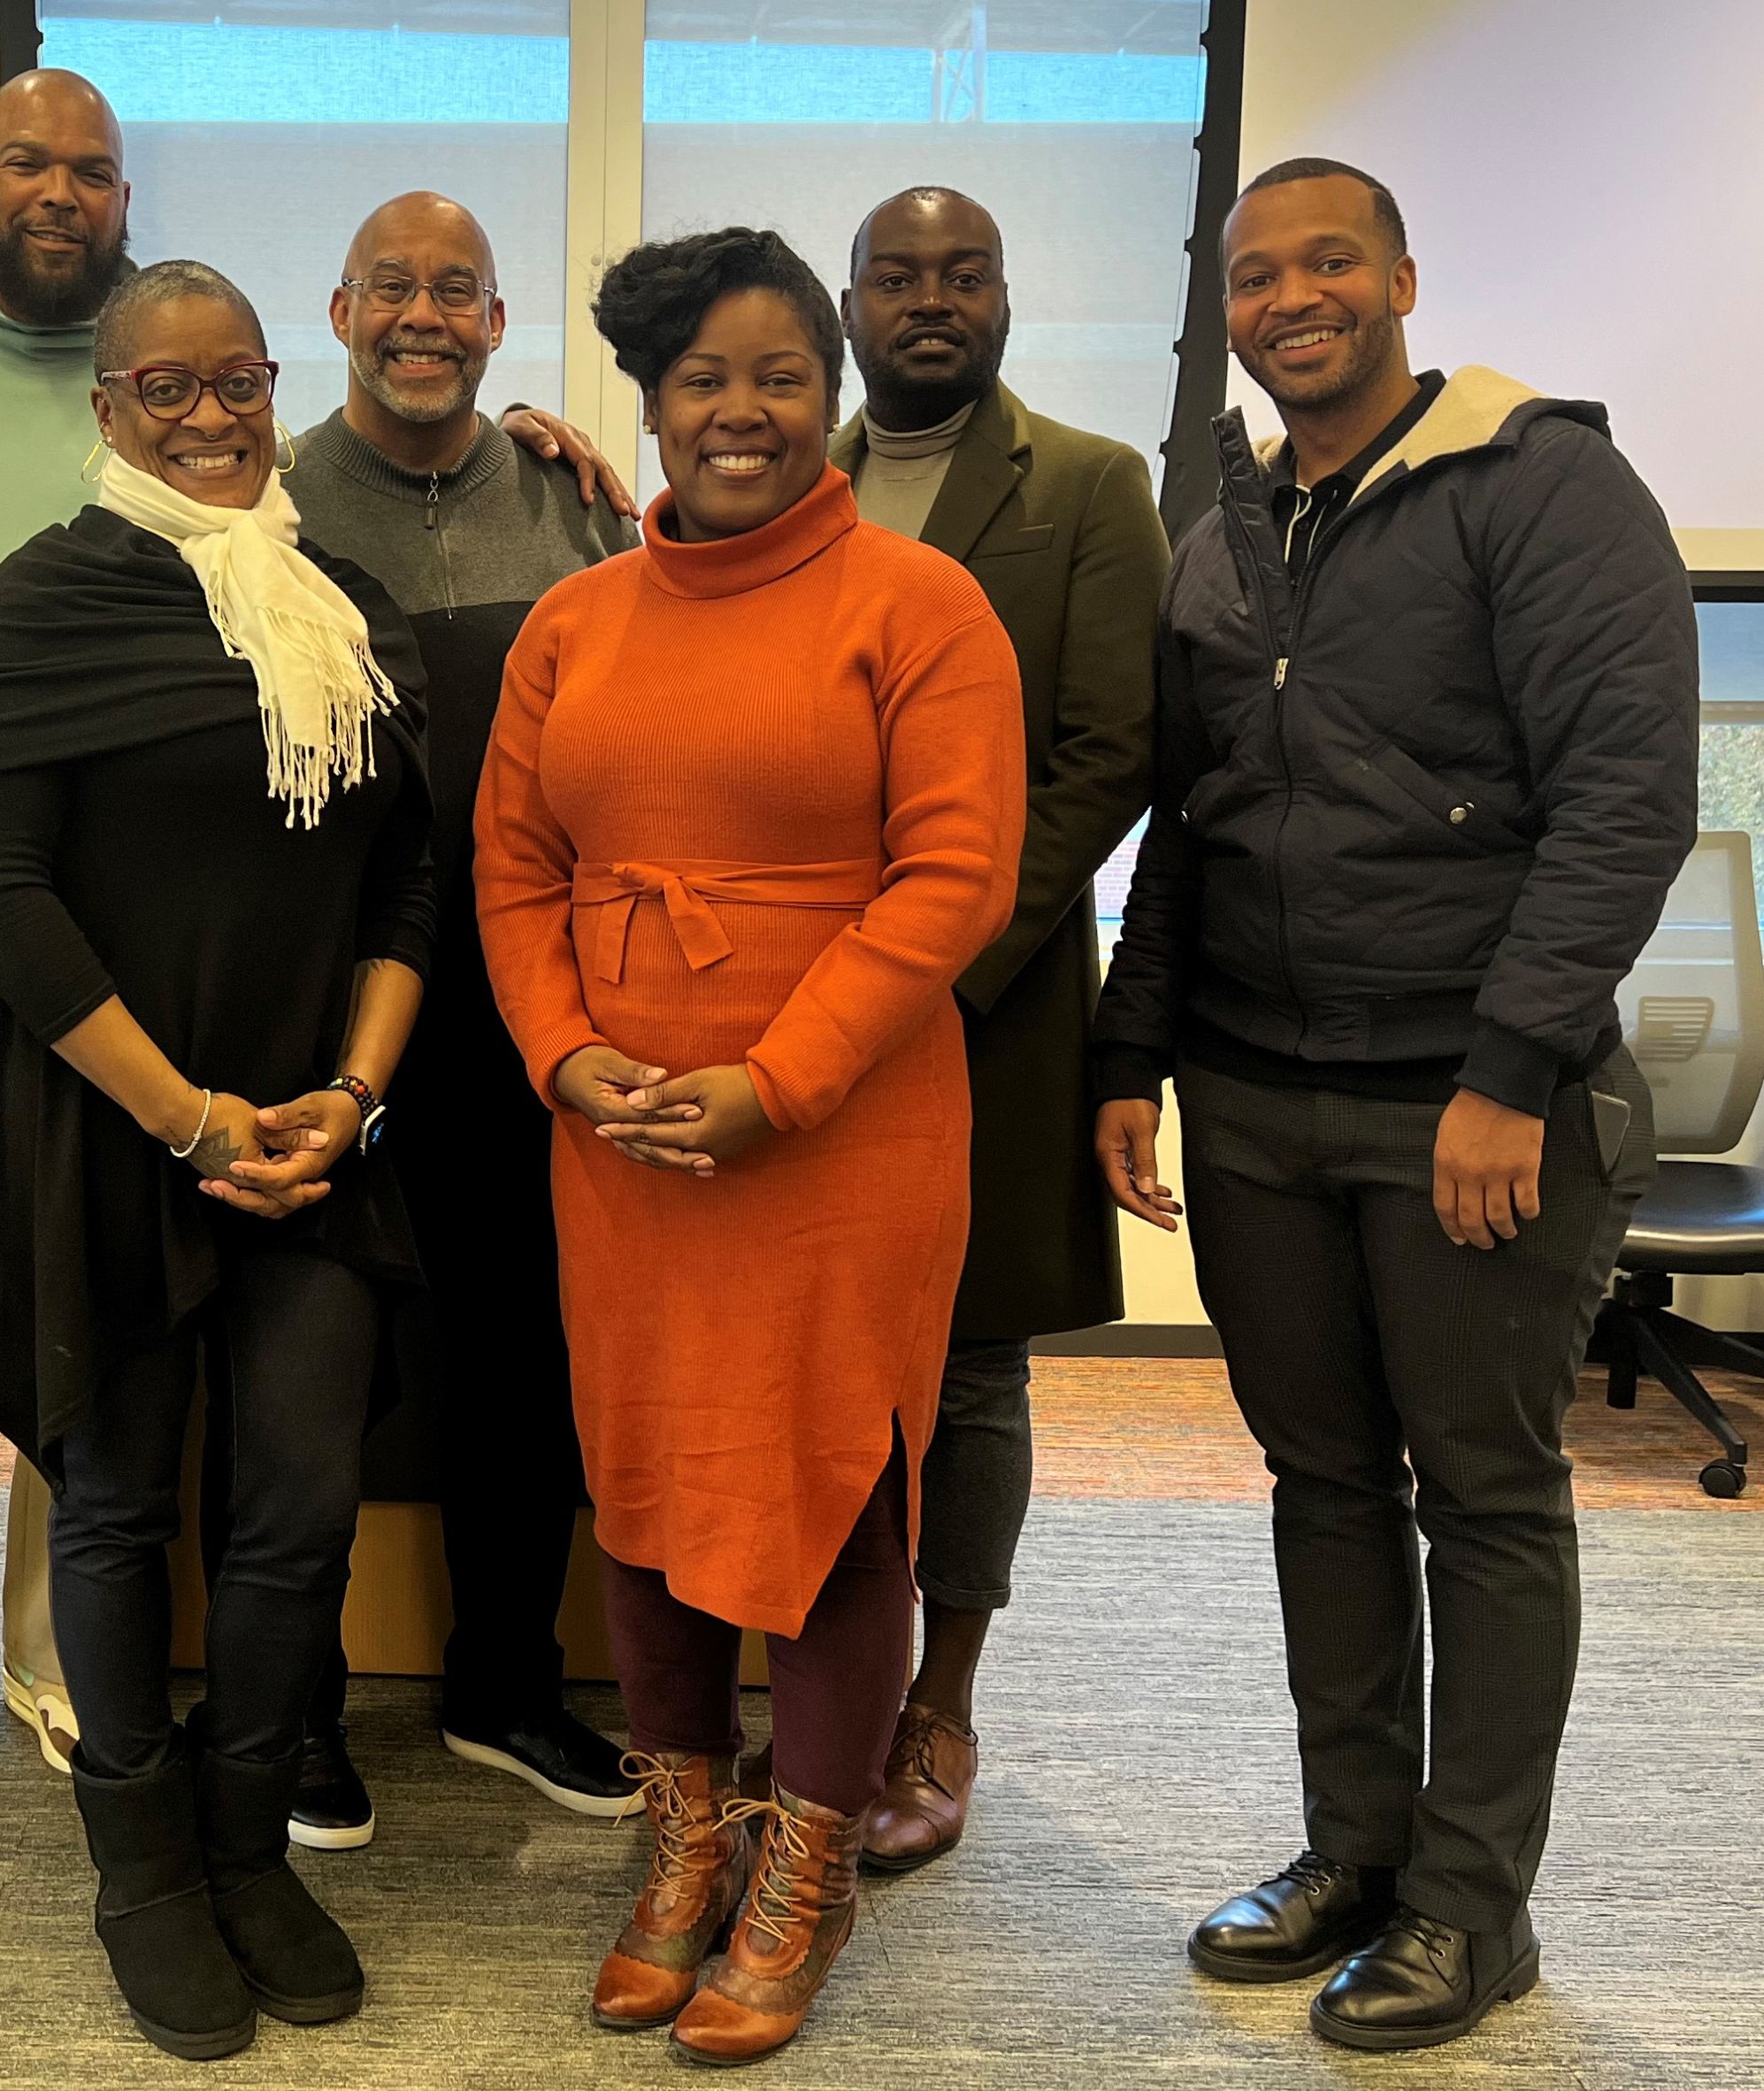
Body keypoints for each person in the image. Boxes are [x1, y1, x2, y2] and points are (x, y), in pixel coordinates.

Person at [0, 71, 617, 1786]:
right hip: (89, 983)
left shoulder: (446, 517)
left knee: (455, 1346)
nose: (207, 413)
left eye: (456, 289)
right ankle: (37, 1678)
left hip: (424, 998)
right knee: (45, 1345)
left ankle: (424, 1681)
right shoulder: (151, 495)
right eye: (394, 285)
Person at [1091, 158, 1693, 2051]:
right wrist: (1128, 1057)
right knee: (1322, 1487)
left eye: (1328, 260)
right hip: (1258, 1096)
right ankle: (1351, 1854)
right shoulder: (1228, 527)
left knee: (1485, 1496)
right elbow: (1191, 831)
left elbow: (1624, 805)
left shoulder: (1545, 487)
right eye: (1257, 275)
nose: (1290, 299)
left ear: (1405, 278)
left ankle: (1470, 1909)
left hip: (1469, 1103)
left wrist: (1509, 1073)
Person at [474, 227, 1024, 2065]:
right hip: (621, 1130)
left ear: (831, 390)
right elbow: (514, 867)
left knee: (837, 1488)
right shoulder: (574, 622)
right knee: (643, 1485)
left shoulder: (919, 604)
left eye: (780, 375)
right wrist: (562, 1056)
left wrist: (777, 1079)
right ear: (650, 399)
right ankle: (683, 1839)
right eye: (703, 378)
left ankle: (808, 1856)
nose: (743, 411)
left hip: (842, 1126)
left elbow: (954, 879)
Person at [0, 260, 431, 2061]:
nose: (209, 420)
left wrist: (347, 1103)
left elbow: (402, 883)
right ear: (106, 410)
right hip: (108, 1128)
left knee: (294, 1511)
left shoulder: (340, 606)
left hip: (312, 1140)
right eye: (166, 391)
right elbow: (4, 895)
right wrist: (190, 1118)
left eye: (237, 383)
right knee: (120, 1505)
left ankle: (243, 1839)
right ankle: (138, 1864)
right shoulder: (44, 602)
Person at [232, 189, 636, 1849]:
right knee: (312, 1370)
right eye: (390, 286)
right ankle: (298, 1708)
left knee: (520, 1353)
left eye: (455, 290)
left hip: (529, 1000)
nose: (422, 315)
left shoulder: (570, 499)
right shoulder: (261, 501)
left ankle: (500, 1682)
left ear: (494, 319)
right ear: (334, 310)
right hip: (320, 1007)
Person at [828, 187, 1165, 1871]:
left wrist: (928, 961)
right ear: (849, 301)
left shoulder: (1091, 486)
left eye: (962, 275)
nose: (930, 302)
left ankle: (937, 1701)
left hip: (990, 1003)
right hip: (794, 1014)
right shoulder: (778, 477)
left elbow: (1108, 749)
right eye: (898, 277)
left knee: (966, 1368)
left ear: (1007, 295)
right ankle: (819, 1685)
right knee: (811, 1352)